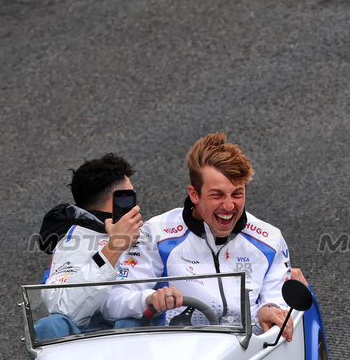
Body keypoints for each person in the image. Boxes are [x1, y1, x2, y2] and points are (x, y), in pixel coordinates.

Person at [100, 133, 299, 342]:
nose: (229, 206)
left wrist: (270, 308)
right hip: (178, 354)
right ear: (194, 194)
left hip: (247, 353)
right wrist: (147, 299)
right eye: (217, 195)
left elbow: (278, 301)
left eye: (237, 194)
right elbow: (111, 303)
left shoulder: (269, 239)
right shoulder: (156, 234)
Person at [34, 153, 144, 339]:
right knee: (51, 324)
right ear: (117, 201)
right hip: (87, 347)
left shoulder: (149, 235)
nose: (137, 206)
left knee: (132, 321)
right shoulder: (72, 241)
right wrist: (114, 247)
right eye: (130, 195)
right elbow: (64, 310)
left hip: (139, 342)